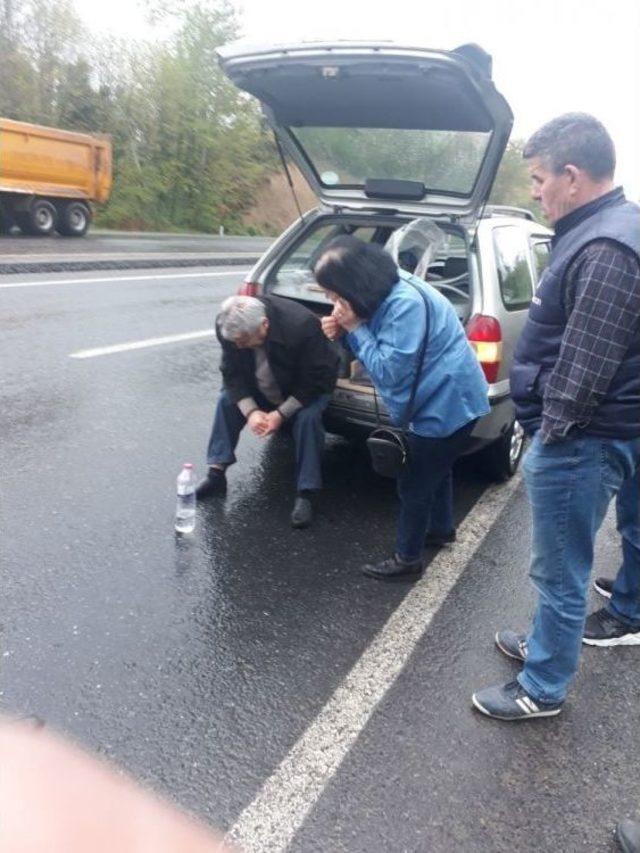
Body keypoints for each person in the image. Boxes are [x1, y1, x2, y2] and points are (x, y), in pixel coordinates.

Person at [472, 113, 640, 722]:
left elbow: (587, 365)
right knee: (562, 566)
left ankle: (542, 686)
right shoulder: (608, 227)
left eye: (540, 179)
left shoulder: (604, 247)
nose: (535, 191)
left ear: (573, 176)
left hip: (582, 439)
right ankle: (547, 644)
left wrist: (549, 430)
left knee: (560, 571)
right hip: (603, 431)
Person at [314, 235, 490, 580]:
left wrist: (353, 328)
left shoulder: (404, 305)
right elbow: (379, 346)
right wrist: (345, 331)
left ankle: (407, 560)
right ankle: (441, 530)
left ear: (355, 281)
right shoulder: (381, 290)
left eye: (334, 293)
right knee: (437, 468)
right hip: (449, 398)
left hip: (447, 403)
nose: (330, 301)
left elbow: (387, 373)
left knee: (414, 483)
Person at [196, 294, 339, 529]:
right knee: (226, 401)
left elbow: (314, 381)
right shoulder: (229, 326)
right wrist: (251, 411)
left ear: (265, 325)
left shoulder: (301, 326)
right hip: (263, 383)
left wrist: (280, 414)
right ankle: (216, 474)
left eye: (244, 341)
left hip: (306, 386)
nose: (238, 346)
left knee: (307, 419)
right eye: (236, 343)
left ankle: (307, 492)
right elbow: (230, 372)